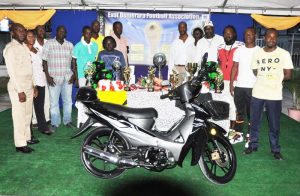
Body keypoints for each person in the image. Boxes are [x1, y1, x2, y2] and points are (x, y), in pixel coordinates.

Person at [244, 28, 293, 160]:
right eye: (268, 37)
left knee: (274, 124)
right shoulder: (257, 53)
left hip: (274, 94)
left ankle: (275, 149)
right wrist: (264, 77)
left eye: (274, 37)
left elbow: (288, 75)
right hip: (258, 92)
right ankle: (253, 145)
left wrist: (275, 78)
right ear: (264, 38)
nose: (271, 39)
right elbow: (255, 71)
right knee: (254, 122)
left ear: (277, 38)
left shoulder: (284, 54)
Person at [4, 23, 39, 153]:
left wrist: (34, 85)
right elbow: (12, 72)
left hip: (28, 85)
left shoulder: (24, 46)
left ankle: (27, 137)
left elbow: (30, 68)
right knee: (19, 115)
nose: (22, 33)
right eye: (19, 31)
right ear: (12, 33)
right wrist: (20, 91)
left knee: (27, 114)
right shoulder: (10, 48)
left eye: (23, 30)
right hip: (17, 87)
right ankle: (19, 144)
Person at [42, 25, 76, 131]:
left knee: (68, 101)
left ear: (66, 33)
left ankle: (68, 121)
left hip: (67, 77)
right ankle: (55, 123)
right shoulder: (49, 44)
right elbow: (44, 61)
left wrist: (74, 74)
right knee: (54, 102)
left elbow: (73, 61)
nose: (62, 33)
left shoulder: (70, 45)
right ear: (56, 32)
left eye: (64, 31)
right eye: (60, 31)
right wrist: (47, 76)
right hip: (53, 78)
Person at [230, 27, 260, 147]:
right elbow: (234, 67)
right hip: (239, 86)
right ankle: (238, 134)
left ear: (255, 36)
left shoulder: (260, 51)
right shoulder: (239, 50)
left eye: (250, 34)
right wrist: (231, 84)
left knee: (252, 114)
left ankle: (250, 137)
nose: (248, 36)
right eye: (246, 34)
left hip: (254, 87)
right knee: (239, 112)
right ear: (244, 36)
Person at [218, 25, 244, 135]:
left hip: (235, 80)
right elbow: (219, 62)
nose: (227, 35)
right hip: (223, 81)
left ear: (234, 34)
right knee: (225, 103)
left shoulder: (240, 46)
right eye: (225, 33)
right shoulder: (220, 47)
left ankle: (233, 127)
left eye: (230, 33)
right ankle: (225, 125)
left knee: (234, 105)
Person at [25, 30, 52, 135]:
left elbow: (42, 63)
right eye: (29, 36)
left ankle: (42, 127)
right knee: (27, 109)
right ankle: (28, 132)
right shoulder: (24, 50)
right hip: (31, 82)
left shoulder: (36, 49)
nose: (31, 39)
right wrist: (33, 84)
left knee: (39, 106)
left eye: (33, 37)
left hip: (41, 80)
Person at [72, 26, 98, 127]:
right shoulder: (78, 45)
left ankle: (90, 118)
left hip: (92, 76)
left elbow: (95, 61)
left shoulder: (95, 45)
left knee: (92, 97)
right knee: (82, 98)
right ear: (83, 33)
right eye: (86, 33)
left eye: (90, 33)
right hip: (82, 76)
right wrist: (77, 77)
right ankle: (81, 119)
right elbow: (74, 62)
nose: (88, 35)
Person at [31, 25, 51, 128]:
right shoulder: (31, 43)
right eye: (39, 29)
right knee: (37, 98)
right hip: (36, 74)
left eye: (43, 29)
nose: (42, 31)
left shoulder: (48, 43)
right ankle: (35, 120)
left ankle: (46, 118)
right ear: (36, 32)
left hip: (47, 74)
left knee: (47, 98)